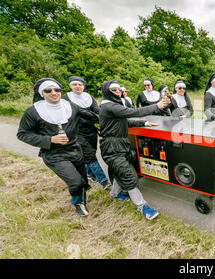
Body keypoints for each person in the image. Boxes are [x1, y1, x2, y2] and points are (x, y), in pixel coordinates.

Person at [17, 78, 92, 216]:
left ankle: (82, 201)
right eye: (48, 90)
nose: (54, 93)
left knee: (82, 180)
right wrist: (50, 139)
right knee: (76, 181)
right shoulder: (33, 112)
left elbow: (90, 116)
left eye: (57, 90)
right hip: (54, 155)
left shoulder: (71, 106)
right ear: (42, 93)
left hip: (75, 150)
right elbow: (23, 134)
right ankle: (77, 202)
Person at [99, 80, 169, 220]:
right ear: (107, 91)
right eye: (114, 89)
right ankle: (142, 206)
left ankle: (114, 194)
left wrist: (144, 122)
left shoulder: (112, 106)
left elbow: (126, 121)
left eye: (119, 88)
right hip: (112, 147)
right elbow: (134, 112)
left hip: (119, 144)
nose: (118, 91)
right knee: (129, 176)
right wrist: (157, 106)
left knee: (121, 171)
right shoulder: (108, 106)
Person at [62, 76, 111, 190]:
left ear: (83, 86)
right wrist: (92, 117)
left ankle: (89, 174)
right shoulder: (65, 99)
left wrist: (102, 118)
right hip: (76, 132)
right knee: (90, 155)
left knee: (91, 153)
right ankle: (103, 181)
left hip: (91, 130)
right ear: (70, 86)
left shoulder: (89, 97)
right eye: (75, 84)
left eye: (80, 84)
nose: (78, 87)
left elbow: (97, 112)